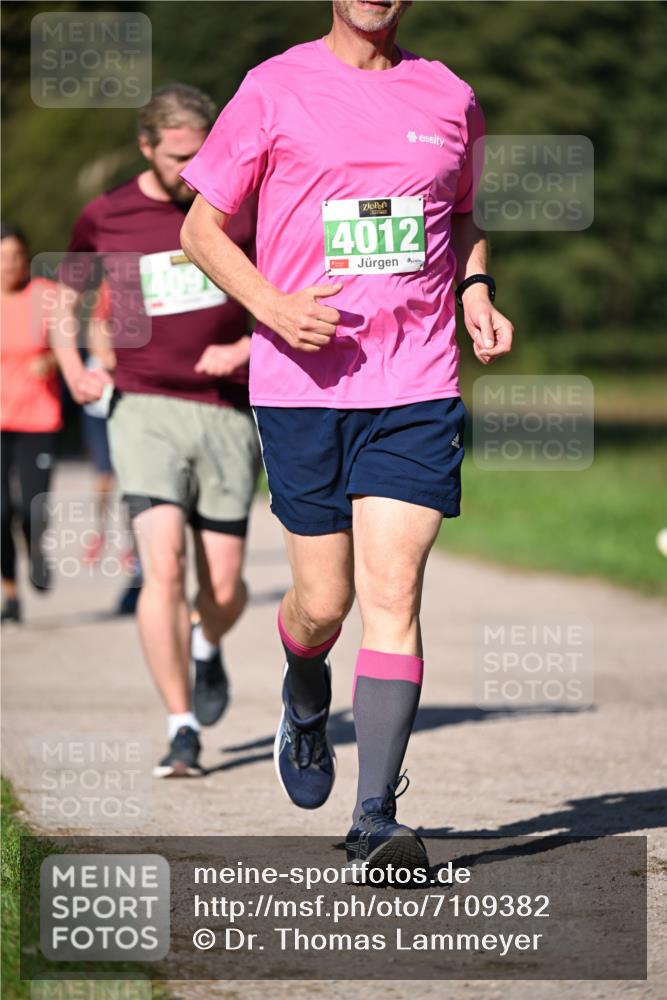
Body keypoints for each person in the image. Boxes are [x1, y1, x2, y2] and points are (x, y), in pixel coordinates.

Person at [180, 0, 513, 870]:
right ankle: (302, 688)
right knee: (323, 604)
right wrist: (271, 306)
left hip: (415, 382)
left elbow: (464, 217)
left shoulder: (448, 96)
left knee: (392, 596)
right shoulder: (274, 87)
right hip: (302, 390)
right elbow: (200, 227)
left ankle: (375, 816)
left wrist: (473, 289)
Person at [53, 84, 261, 777]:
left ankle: (206, 643)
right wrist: (75, 363)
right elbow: (67, 295)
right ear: (146, 147)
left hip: (228, 408)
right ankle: (180, 728)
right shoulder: (106, 214)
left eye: (203, 155)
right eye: (177, 158)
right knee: (162, 567)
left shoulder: (241, 206)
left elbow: (288, 289)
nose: (192, 170)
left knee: (225, 588)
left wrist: (248, 349)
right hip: (141, 407)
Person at [1, 223, 62, 623]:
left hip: (39, 417)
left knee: (33, 509)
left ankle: (36, 546)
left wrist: (52, 360)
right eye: (2, 258)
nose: (10, 265)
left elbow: (71, 348)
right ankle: (10, 594)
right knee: (0, 511)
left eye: (16, 257)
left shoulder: (46, 296)